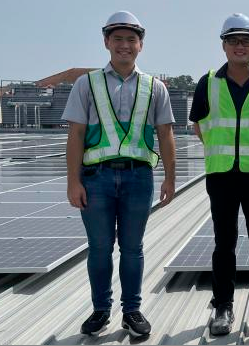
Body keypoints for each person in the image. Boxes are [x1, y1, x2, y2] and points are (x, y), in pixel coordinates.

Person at [64, 10, 176, 337]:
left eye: (131, 39)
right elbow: (76, 135)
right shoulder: (87, 84)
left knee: (132, 248)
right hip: (96, 179)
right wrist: (73, 181)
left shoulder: (155, 87)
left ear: (140, 45)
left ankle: (132, 310)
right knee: (99, 247)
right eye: (118, 39)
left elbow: (166, 134)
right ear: (106, 42)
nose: (124, 45)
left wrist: (170, 178)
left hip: (138, 178)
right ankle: (101, 310)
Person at [188, 13, 249, 340]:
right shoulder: (207, 82)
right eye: (233, 41)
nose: (239, 47)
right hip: (222, 177)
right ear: (224, 46)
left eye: (246, 42)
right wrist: (223, 152)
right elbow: (200, 127)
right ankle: (223, 306)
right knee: (224, 244)